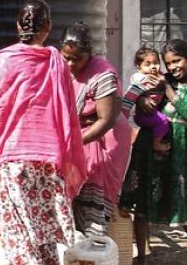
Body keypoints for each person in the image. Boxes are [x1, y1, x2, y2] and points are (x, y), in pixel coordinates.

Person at [0, 0, 87, 265]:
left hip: (11, 160)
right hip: (48, 160)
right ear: (48, 27)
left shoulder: (5, 59)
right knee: (47, 240)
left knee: (19, 241)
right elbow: (67, 112)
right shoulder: (57, 62)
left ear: (18, 26)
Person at [120, 39, 187, 265]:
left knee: (182, 200)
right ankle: (141, 257)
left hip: (177, 147)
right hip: (148, 144)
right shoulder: (162, 78)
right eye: (169, 63)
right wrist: (141, 100)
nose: (172, 67)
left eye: (177, 61)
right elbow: (142, 89)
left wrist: (168, 88)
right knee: (142, 203)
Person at [59, 22, 132, 236]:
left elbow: (105, 121)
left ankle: (95, 244)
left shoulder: (103, 75)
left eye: (77, 58)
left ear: (89, 54)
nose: (71, 63)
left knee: (93, 199)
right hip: (79, 135)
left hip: (104, 140)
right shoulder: (61, 67)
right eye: (66, 57)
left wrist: (72, 142)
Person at [121, 47, 170, 152]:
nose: (153, 67)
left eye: (156, 63)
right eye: (147, 64)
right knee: (163, 122)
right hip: (143, 115)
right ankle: (156, 144)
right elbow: (128, 99)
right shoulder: (141, 81)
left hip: (152, 112)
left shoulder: (161, 77)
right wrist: (122, 118)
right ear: (139, 68)